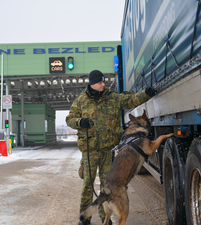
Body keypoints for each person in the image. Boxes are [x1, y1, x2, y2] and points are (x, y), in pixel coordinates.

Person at [66, 69, 156, 225]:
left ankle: (104, 217)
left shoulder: (112, 98)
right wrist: (81, 122)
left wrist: (146, 93)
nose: (103, 84)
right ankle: (85, 218)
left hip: (108, 150)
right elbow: (69, 119)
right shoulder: (81, 101)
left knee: (107, 185)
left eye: (103, 81)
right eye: (100, 82)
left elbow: (131, 100)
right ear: (92, 84)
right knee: (88, 183)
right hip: (90, 150)